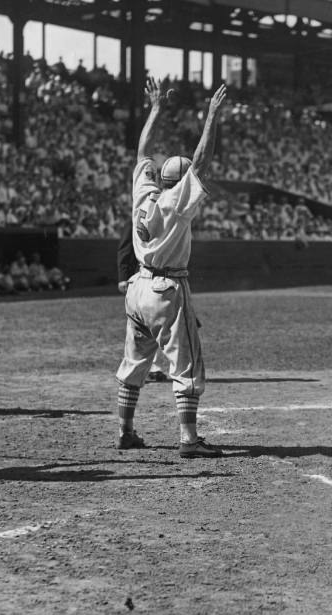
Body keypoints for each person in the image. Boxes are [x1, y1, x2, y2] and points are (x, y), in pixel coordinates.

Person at [113, 78, 226, 458]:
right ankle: (189, 439)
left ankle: (125, 430)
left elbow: (142, 151)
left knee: (134, 363)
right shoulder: (177, 203)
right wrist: (211, 116)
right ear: (180, 185)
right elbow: (202, 162)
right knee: (187, 365)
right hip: (166, 290)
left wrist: (156, 108)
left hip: (137, 288)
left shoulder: (143, 192)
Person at [117, 217, 168, 383]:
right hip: (139, 277)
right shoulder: (134, 219)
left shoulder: (164, 220)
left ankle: (154, 366)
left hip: (162, 280)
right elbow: (125, 249)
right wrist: (123, 277)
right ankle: (133, 366)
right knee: (137, 325)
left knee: (158, 322)